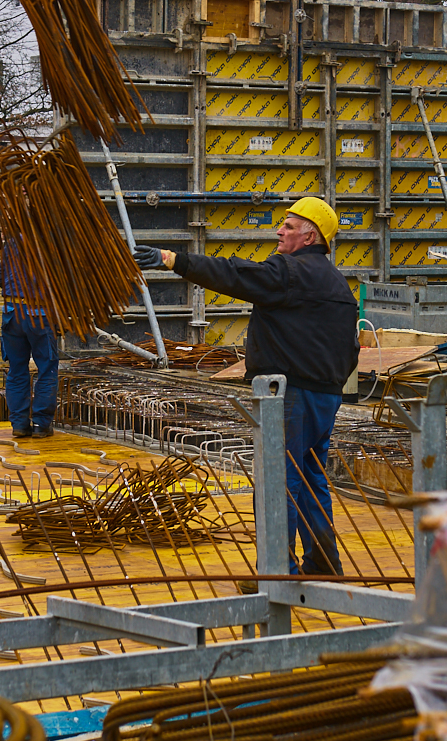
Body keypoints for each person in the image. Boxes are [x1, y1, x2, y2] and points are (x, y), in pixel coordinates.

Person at [135, 197, 357, 575]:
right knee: (310, 475)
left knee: (277, 479)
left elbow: (235, 274)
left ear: (309, 235)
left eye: (288, 225)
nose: (279, 231)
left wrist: (174, 260)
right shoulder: (338, 284)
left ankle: (276, 572)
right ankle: (322, 562)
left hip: (290, 397)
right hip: (326, 396)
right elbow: (350, 348)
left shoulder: (289, 271)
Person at [0, 235, 56, 439]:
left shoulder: (12, 242)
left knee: (17, 368)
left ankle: (20, 425)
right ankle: (41, 424)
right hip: (38, 314)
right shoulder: (51, 242)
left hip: (12, 314)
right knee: (46, 368)